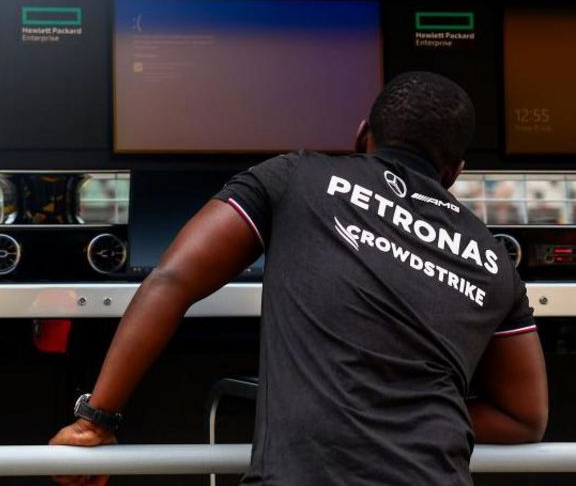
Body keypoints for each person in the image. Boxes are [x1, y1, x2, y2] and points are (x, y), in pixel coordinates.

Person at [50, 72, 548, 485]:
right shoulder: (491, 258)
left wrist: (96, 420)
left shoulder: (297, 177)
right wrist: (403, 422)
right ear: (455, 172)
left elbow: (174, 279)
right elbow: (525, 418)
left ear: (361, 136)